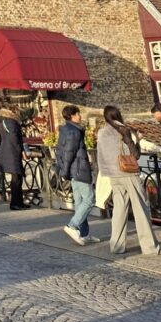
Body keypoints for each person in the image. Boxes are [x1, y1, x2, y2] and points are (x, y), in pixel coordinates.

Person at [97, 104, 161, 256]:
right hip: (128, 173)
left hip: (113, 175)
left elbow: (101, 155)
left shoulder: (101, 132)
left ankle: (117, 246)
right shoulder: (123, 130)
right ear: (117, 115)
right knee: (141, 209)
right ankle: (150, 248)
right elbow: (135, 155)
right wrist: (138, 140)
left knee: (119, 211)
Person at [56, 104, 98, 244]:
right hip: (79, 170)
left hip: (74, 170)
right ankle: (72, 226)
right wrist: (65, 171)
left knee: (80, 202)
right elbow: (69, 153)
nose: (80, 116)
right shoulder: (74, 132)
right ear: (72, 116)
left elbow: (59, 151)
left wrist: (64, 169)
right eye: (78, 114)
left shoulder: (65, 129)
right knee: (89, 200)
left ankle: (84, 233)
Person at [0, 106, 26, 210]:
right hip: (12, 152)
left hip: (7, 152)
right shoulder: (12, 122)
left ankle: (18, 202)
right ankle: (15, 203)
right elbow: (14, 138)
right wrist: (20, 150)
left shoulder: (4, 121)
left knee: (16, 178)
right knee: (16, 179)